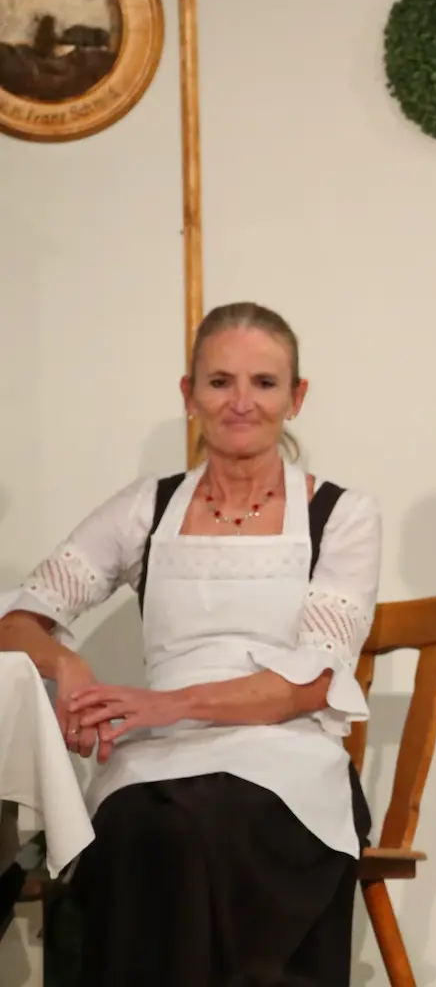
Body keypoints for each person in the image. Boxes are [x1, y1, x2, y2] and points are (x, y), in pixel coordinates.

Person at [0, 302, 380, 986]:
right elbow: (17, 620)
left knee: (200, 834)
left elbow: (310, 685)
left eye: (264, 383)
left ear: (296, 397)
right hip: (157, 763)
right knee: (140, 832)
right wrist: (65, 662)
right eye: (220, 381)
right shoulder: (145, 507)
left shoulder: (342, 515)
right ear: (189, 394)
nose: (241, 402)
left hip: (288, 764)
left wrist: (162, 705)